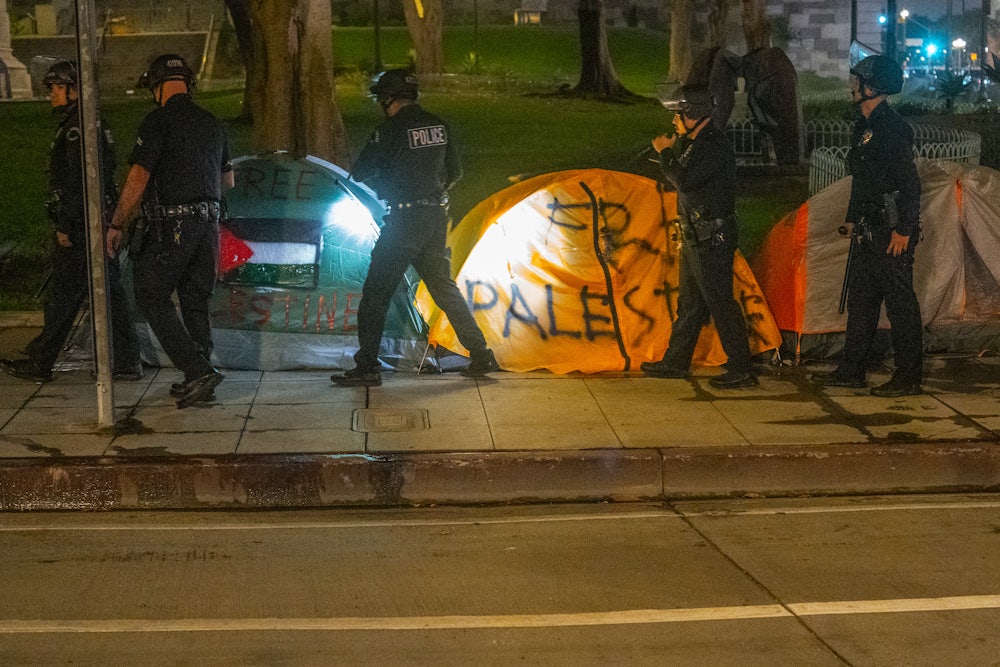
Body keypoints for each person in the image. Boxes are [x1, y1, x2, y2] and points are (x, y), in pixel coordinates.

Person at [331, 69, 499, 387]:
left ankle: (367, 366)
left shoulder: (389, 130)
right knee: (443, 288)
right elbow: (456, 171)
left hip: (404, 221)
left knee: (376, 293)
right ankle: (481, 354)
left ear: (387, 98)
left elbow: (361, 171)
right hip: (435, 217)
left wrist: (390, 182)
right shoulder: (439, 125)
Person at [1, 59, 142, 384]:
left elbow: (80, 181)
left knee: (63, 296)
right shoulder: (90, 123)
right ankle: (125, 361)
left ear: (74, 89)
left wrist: (66, 225)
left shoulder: (78, 128)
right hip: (97, 221)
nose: (51, 95)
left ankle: (41, 362)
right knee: (111, 294)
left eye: (56, 88)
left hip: (82, 226)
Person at [105, 54, 233, 408]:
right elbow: (228, 180)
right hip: (207, 226)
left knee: (150, 296)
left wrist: (117, 223)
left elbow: (138, 178)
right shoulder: (212, 123)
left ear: (156, 86)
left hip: (170, 227)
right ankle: (201, 373)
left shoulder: (157, 121)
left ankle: (197, 371)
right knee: (195, 301)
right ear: (188, 84)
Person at [812, 54, 922, 398]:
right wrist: (851, 217)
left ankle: (908, 377)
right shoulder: (865, 126)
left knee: (900, 305)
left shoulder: (891, 128)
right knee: (861, 302)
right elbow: (862, 180)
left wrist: (904, 229)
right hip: (867, 228)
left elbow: (910, 184)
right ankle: (851, 370)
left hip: (890, 233)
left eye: (856, 80)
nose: (851, 84)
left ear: (871, 88)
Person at [640, 83, 756, 389]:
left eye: (679, 114)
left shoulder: (713, 145)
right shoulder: (695, 143)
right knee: (690, 303)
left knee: (720, 302)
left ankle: (742, 368)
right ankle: (675, 362)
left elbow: (686, 180)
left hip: (712, 237)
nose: (674, 121)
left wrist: (665, 154)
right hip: (696, 235)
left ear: (695, 114)